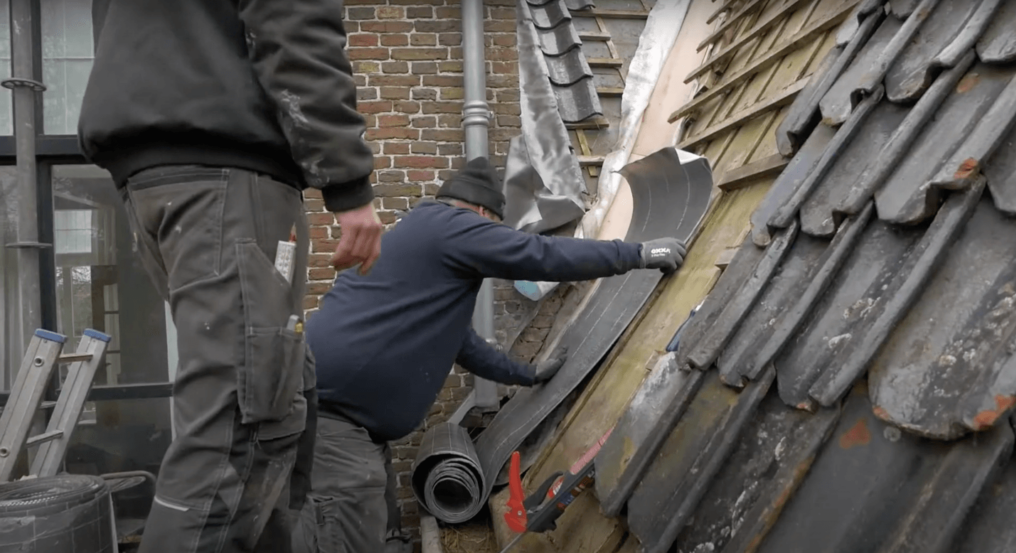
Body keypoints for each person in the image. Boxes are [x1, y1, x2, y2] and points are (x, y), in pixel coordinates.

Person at [76, 1, 382, 551]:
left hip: (156, 175)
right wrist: (348, 183)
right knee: (243, 424)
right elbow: (294, 20)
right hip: (224, 170)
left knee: (280, 393)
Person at [298, 157, 689, 551]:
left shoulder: (422, 243)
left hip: (346, 421)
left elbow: (463, 345)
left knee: (381, 533)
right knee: (344, 534)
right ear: (483, 213)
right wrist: (636, 254)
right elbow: (541, 255)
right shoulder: (451, 227)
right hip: (335, 421)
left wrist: (527, 374)